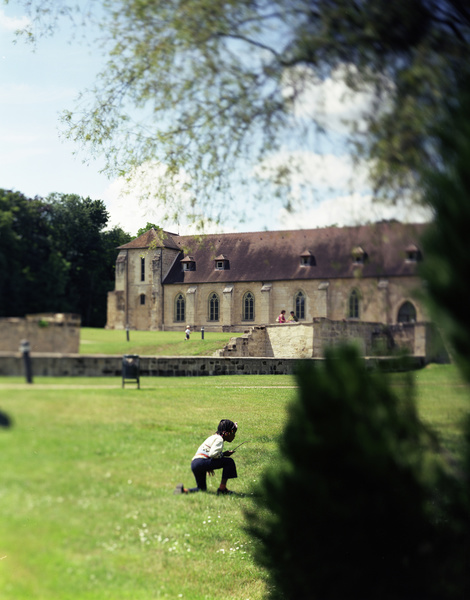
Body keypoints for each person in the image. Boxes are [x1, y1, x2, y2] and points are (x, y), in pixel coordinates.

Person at [174, 419, 238, 495]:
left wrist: (209, 464)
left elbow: (207, 452)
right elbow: (213, 454)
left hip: (195, 463)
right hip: (201, 462)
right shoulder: (219, 439)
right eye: (233, 433)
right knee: (229, 462)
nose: (234, 436)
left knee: (201, 489)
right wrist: (223, 455)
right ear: (226, 433)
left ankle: (183, 490)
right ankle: (222, 489)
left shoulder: (212, 437)